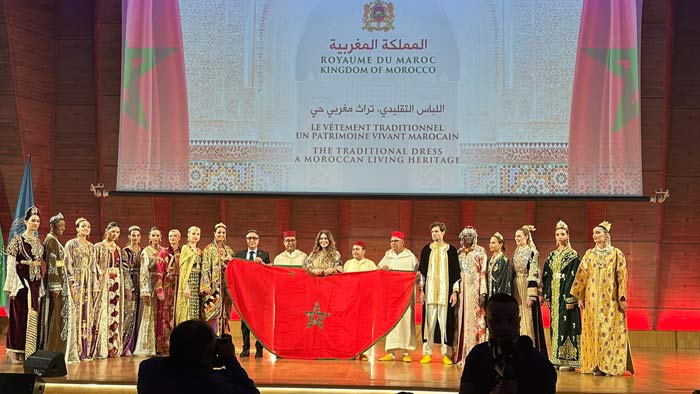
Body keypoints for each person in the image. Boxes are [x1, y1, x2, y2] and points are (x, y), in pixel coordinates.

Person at [570, 221, 635, 376]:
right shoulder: (589, 254)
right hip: (592, 302)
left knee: (609, 331)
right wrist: (580, 295)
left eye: (598, 232)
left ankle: (610, 365)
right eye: (593, 233)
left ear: (606, 235)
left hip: (610, 300)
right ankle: (595, 365)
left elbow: (622, 276)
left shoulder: (616, 253)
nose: (595, 235)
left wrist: (622, 297)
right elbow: (582, 275)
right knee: (593, 331)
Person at [459, 293, 557, 394]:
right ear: (486, 322)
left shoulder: (539, 363)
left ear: (519, 321)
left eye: (510, 320)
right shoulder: (477, 355)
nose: (504, 327)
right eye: (496, 320)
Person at [137, 319, 259, 394]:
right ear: (206, 355)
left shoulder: (148, 371)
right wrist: (229, 359)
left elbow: (172, 361)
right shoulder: (216, 384)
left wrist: (206, 363)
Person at [4, 206, 44, 364]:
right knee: (18, 317)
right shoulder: (17, 240)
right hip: (21, 282)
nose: (35, 223)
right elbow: (11, 263)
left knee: (31, 316)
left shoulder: (37, 241)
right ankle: (14, 350)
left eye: (38, 221)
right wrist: (12, 285)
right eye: (33, 220)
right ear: (26, 221)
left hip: (34, 281)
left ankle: (26, 350)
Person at [418, 222, 460, 365]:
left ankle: (446, 354)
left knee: (445, 323)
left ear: (443, 233)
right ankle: (427, 353)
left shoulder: (451, 251)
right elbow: (422, 272)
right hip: (429, 294)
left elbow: (455, 274)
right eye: (432, 232)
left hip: (445, 294)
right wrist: (422, 291)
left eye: (437, 231)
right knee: (428, 324)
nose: (434, 234)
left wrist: (454, 292)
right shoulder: (426, 250)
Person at [542, 220, 581, 371]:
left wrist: (571, 297)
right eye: (557, 234)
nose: (560, 236)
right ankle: (556, 358)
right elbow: (547, 275)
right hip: (555, 295)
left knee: (568, 325)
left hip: (566, 296)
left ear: (568, 235)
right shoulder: (552, 256)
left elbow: (575, 277)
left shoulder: (573, 255)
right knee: (555, 326)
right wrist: (548, 295)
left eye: (562, 234)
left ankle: (569, 360)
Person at [377, 231, 418, 363]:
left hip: (405, 296)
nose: (393, 244)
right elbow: (378, 270)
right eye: (391, 241)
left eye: (395, 241)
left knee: (406, 321)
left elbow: (417, 273)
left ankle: (406, 352)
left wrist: (416, 278)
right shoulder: (387, 256)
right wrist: (382, 269)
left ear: (402, 242)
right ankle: (391, 352)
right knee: (391, 322)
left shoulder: (410, 257)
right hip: (391, 296)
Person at [93, 222, 133, 359]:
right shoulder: (98, 247)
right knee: (103, 313)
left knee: (114, 313)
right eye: (112, 231)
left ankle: (113, 346)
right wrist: (97, 284)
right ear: (106, 231)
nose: (114, 234)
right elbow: (94, 267)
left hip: (116, 283)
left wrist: (128, 287)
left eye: (117, 232)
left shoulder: (119, 249)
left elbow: (125, 270)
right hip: (103, 284)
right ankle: (102, 346)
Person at [41, 213, 76, 362]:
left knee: (59, 318)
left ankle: (57, 348)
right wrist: (55, 286)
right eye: (60, 226)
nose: (63, 228)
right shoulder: (51, 241)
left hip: (61, 282)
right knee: (56, 317)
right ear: (52, 226)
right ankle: (54, 349)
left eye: (64, 225)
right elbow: (52, 265)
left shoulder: (54, 240)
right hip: (56, 285)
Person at [453, 226, 488, 366]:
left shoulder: (480, 252)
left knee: (474, 320)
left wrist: (482, 292)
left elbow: (483, 272)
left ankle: (475, 353)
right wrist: (455, 290)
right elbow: (455, 274)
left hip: (475, 289)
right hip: (462, 291)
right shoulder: (459, 253)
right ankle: (461, 353)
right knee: (461, 319)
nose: (468, 238)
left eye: (470, 236)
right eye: (465, 236)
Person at [235, 229, 270, 358]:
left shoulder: (265, 254)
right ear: (246, 240)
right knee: (244, 322)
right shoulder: (239, 254)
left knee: (259, 322)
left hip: (259, 294)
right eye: (249, 238)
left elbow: (268, 273)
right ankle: (245, 348)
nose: (252, 240)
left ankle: (259, 349)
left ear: (258, 240)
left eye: (254, 238)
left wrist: (263, 264)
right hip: (244, 293)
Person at [63, 217, 96, 360]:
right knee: (76, 313)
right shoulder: (71, 244)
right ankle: (74, 349)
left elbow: (93, 266)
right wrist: (71, 282)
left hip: (87, 281)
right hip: (76, 280)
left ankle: (85, 350)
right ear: (77, 228)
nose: (86, 229)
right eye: (83, 226)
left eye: (88, 227)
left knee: (86, 314)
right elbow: (66, 263)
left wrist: (94, 285)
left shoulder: (91, 246)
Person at [512, 225, 547, 355]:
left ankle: (529, 348)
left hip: (526, 285)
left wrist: (531, 295)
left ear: (526, 237)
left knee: (528, 316)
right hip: (517, 285)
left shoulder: (532, 252)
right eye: (515, 236)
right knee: (519, 315)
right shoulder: (516, 252)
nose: (517, 238)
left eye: (519, 236)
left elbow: (534, 272)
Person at [343, 240, 377, 361]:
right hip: (350, 300)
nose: (355, 252)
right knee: (349, 326)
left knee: (364, 327)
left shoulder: (371, 265)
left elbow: (375, 281)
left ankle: (364, 352)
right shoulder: (347, 264)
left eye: (357, 249)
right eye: (353, 250)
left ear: (364, 251)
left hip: (365, 301)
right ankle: (350, 351)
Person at [201, 223, 234, 336]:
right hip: (213, 288)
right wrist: (206, 287)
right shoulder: (208, 249)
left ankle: (223, 338)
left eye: (223, 233)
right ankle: (212, 337)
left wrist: (229, 262)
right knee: (212, 312)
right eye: (219, 232)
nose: (221, 234)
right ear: (214, 234)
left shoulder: (229, 250)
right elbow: (205, 268)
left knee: (224, 313)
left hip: (225, 287)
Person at [134, 226, 163, 356]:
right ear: (149, 237)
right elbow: (144, 271)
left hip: (161, 284)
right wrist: (145, 290)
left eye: (157, 235)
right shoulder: (146, 251)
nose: (155, 238)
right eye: (153, 235)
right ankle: (147, 345)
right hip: (150, 284)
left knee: (160, 314)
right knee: (149, 313)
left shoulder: (163, 251)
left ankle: (159, 345)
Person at [156, 229, 181, 355]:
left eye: (175, 236)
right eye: (170, 235)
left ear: (179, 238)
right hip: (168, 284)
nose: (172, 238)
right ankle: (165, 345)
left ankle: (178, 344)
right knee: (166, 314)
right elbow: (159, 270)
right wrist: (159, 288)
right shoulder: (164, 252)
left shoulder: (183, 251)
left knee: (178, 314)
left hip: (180, 285)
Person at [122, 225, 143, 356]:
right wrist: (128, 287)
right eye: (133, 235)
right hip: (130, 281)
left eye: (137, 235)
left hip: (141, 283)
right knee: (129, 314)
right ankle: (126, 345)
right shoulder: (125, 251)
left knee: (139, 315)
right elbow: (124, 270)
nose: (135, 238)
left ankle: (137, 345)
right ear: (129, 236)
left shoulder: (143, 250)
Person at [176, 226, 203, 325]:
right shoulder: (185, 248)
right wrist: (186, 286)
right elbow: (183, 269)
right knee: (187, 308)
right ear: (188, 235)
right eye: (193, 234)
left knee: (195, 310)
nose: (195, 236)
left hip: (197, 284)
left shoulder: (200, 251)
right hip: (189, 282)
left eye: (197, 234)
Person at [487, 232, 513, 299]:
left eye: (493, 243)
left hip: (499, 294)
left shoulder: (504, 260)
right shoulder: (489, 259)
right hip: (490, 293)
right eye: (490, 243)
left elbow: (505, 280)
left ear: (500, 244)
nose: (490, 245)